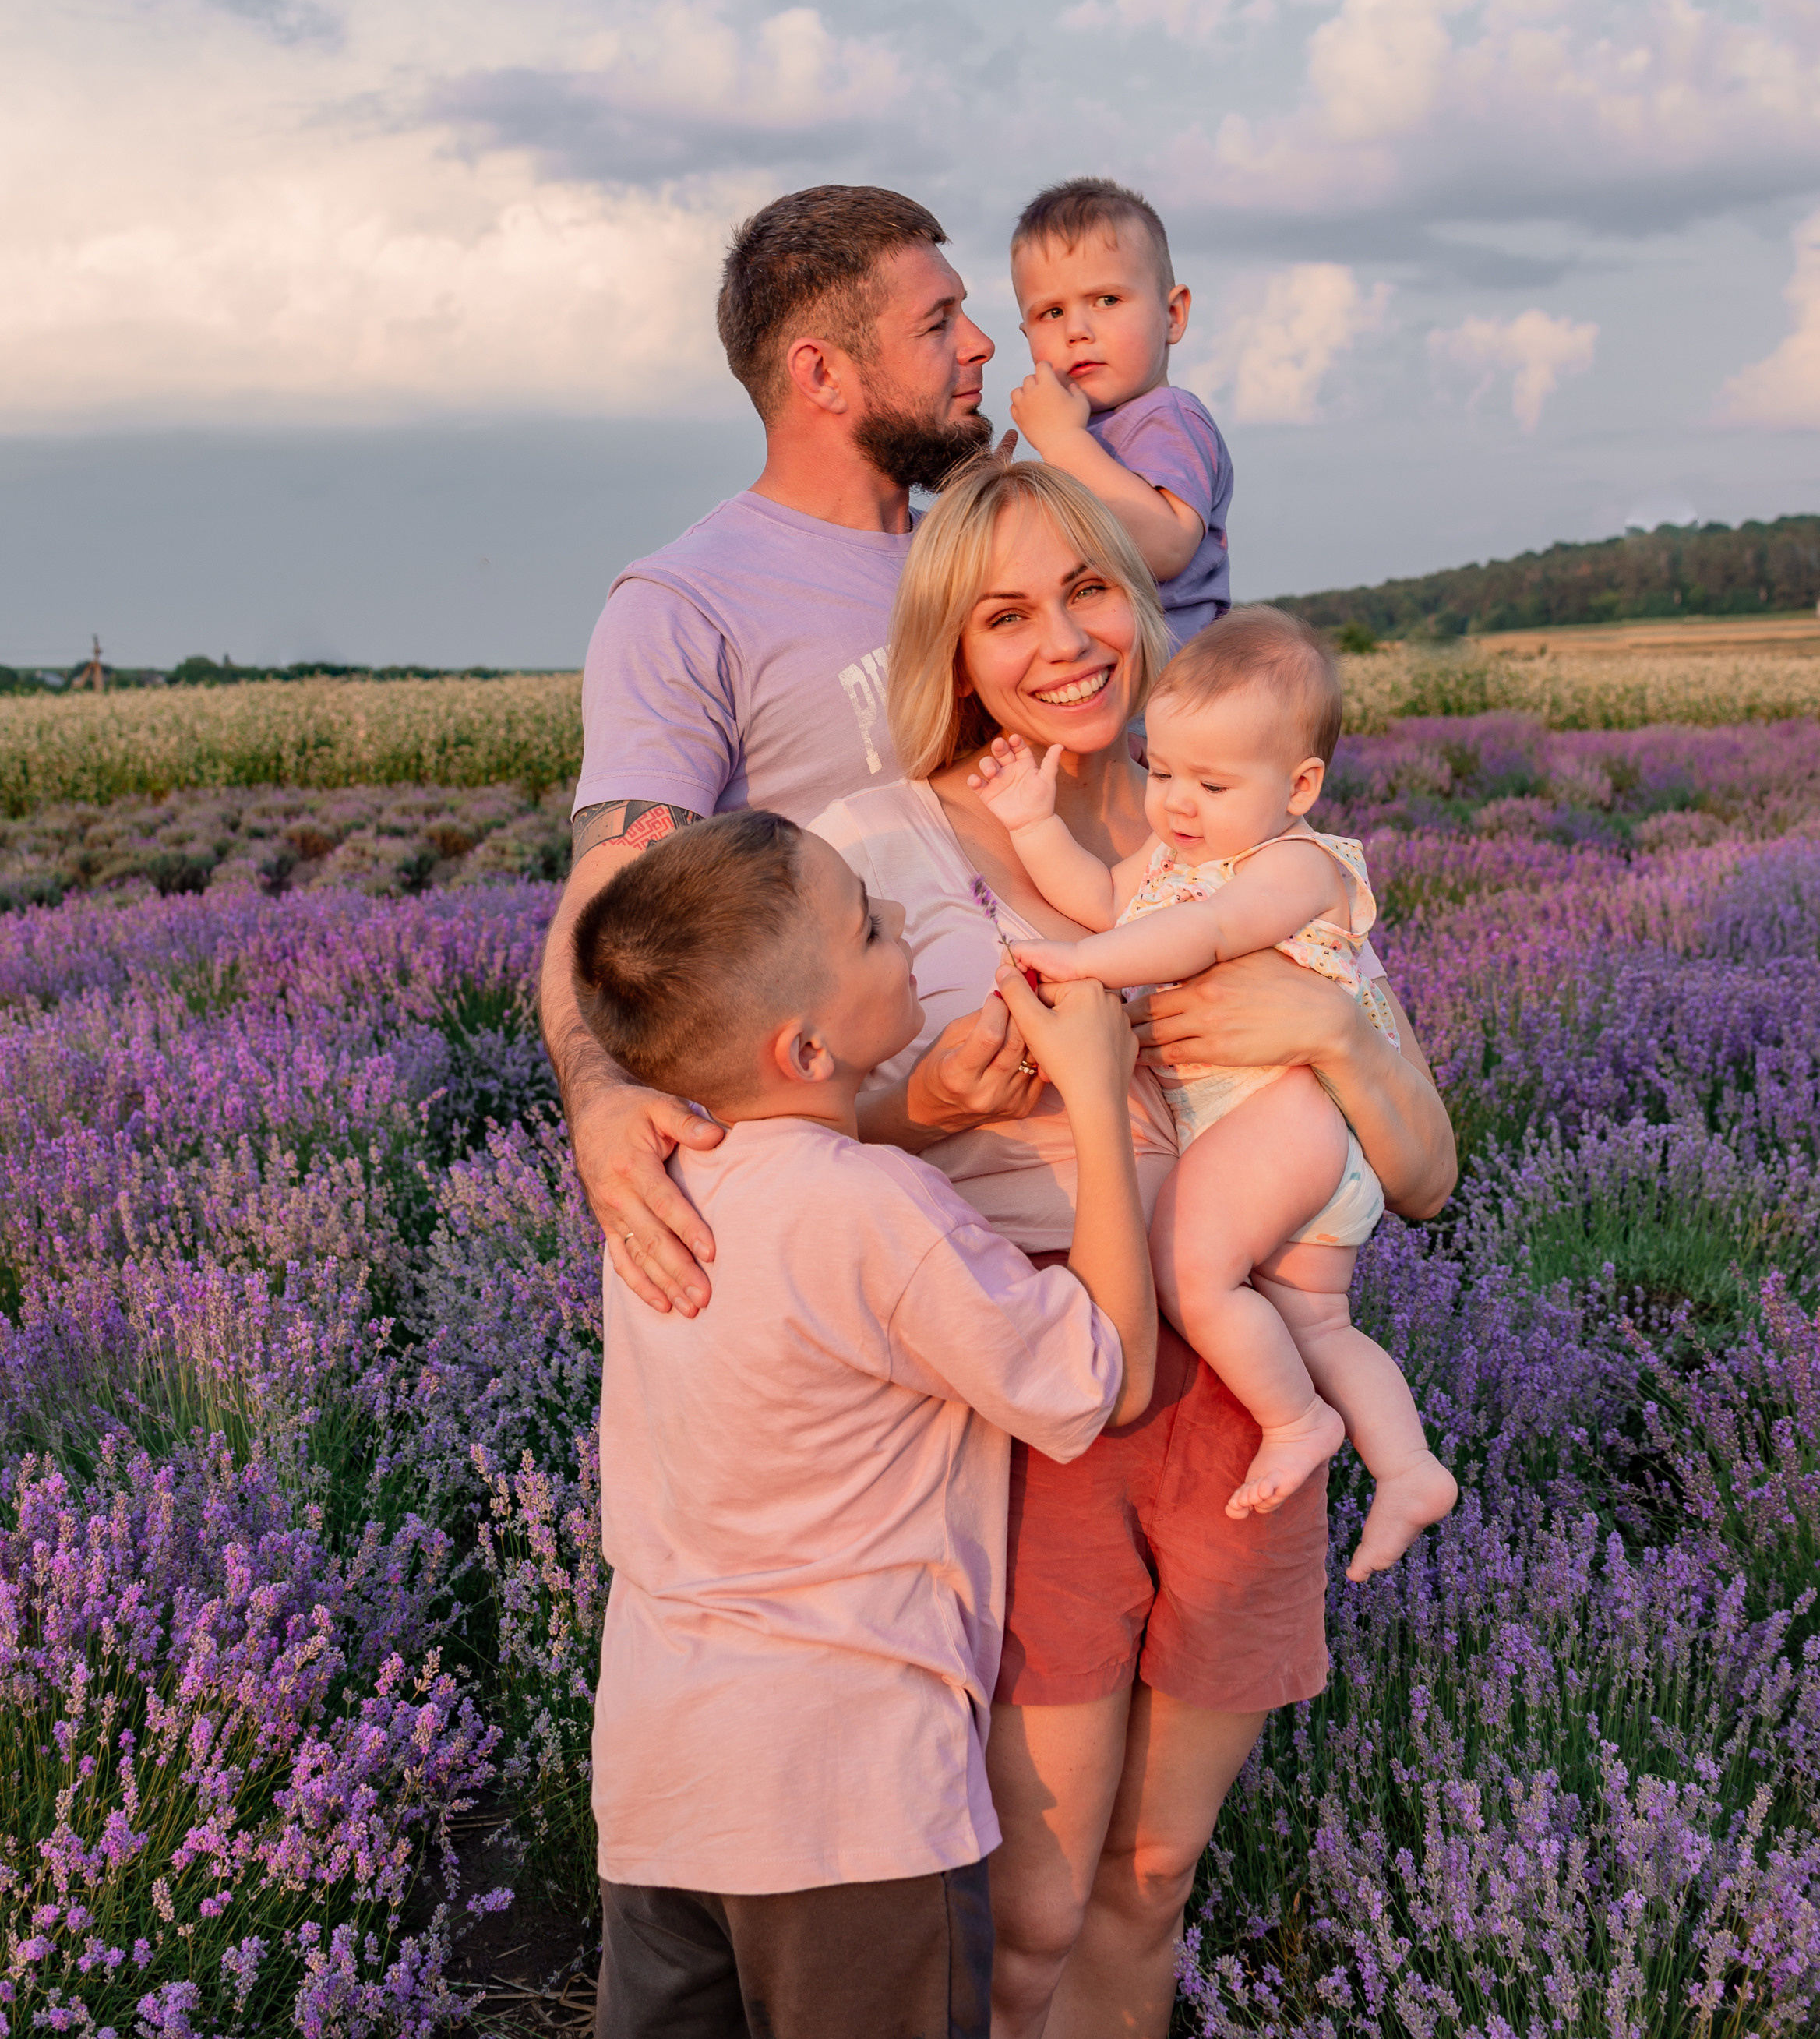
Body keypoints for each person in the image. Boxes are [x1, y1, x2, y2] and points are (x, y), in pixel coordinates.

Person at [806, 452, 1455, 2039]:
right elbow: (788, 1140)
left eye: (1087, 588)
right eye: (1005, 611)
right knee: (1032, 1892)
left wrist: (1345, 1041)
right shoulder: (871, 847)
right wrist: (934, 1100)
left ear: (1139, 596)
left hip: (1239, 1403)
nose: (1062, 639)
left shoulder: (1217, 824)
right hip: (1050, 1403)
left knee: (1150, 1876)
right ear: (951, 641)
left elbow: (1419, 1172)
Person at [569, 807, 1157, 2039]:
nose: (903, 937)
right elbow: (1097, 1379)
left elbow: (810, 1178)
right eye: (875, 928)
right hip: (849, 1798)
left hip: (664, 1766)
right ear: (806, 1048)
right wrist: (1098, 1097)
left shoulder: (664, 1183)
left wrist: (921, 1109)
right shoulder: (883, 1215)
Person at [541, 182, 1017, 1318]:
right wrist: (600, 1099)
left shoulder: (999, 548)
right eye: (937, 322)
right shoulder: (687, 604)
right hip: (875, 1211)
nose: (982, 344)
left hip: (1082, 1150)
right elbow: (612, 897)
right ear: (822, 374)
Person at [965, 605, 1458, 1581]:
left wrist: (1079, 963)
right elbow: (1107, 899)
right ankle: (1407, 1466)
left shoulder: (1291, 865)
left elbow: (1196, 935)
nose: (1177, 803)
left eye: (1212, 782)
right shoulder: (1178, 857)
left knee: (1186, 1267)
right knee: (1315, 1321)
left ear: (1300, 786)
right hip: (1277, 1137)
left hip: (1290, 1112)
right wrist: (1029, 822)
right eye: (1161, 771)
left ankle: (1297, 1419)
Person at [1003, 178, 1232, 648]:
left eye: (1107, 300)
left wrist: (1063, 442)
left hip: (1173, 690)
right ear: (1026, 336)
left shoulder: (1167, 417)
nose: (1077, 331)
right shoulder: (1085, 430)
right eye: (1050, 313)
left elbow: (1167, 548)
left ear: (1173, 315)